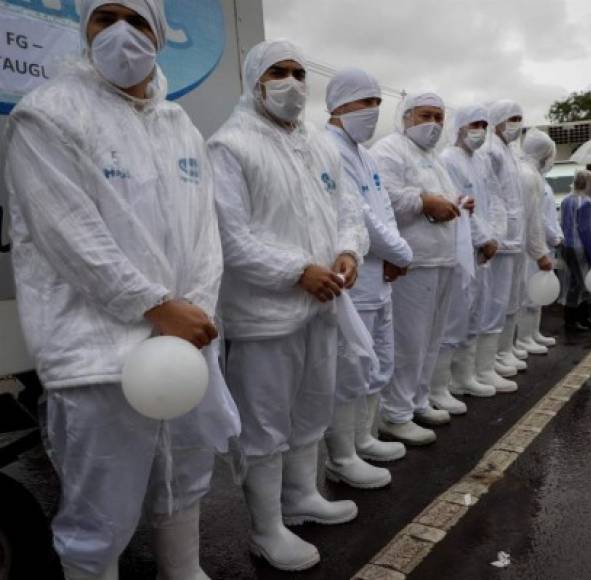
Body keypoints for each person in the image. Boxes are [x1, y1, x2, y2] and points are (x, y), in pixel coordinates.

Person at [4, 1, 241, 578]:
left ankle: (182, 569)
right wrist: (157, 307)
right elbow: (69, 236)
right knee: (100, 504)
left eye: (135, 19)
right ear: (83, 28)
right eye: (102, 17)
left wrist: (194, 313)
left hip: (182, 350)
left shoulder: (178, 124)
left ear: (159, 31)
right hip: (97, 355)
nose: (119, 34)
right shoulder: (48, 115)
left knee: (183, 474)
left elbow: (204, 234)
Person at [208, 40, 369, 571]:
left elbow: (348, 209)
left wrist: (348, 251)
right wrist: (295, 270)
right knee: (265, 424)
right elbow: (231, 236)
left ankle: (301, 498)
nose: (294, 82)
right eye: (280, 72)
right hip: (264, 316)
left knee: (311, 408)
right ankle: (266, 527)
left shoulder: (319, 146)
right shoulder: (230, 146)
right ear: (256, 79)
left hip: (323, 305)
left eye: (300, 73)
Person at [323, 68, 414, 487]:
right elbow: (358, 215)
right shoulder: (330, 147)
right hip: (354, 277)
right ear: (339, 104)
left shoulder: (365, 153)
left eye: (378, 103)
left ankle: (364, 437)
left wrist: (396, 253)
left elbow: (386, 212)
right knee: (350, 367)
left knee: (377, 360)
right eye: (365, 102)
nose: (373, 112)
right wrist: (401, 252)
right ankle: (342, 457)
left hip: (382, 277)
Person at [370, 92, 461, 444]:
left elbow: (446, 197)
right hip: (413, 262)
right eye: (426, 115)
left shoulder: (433, 158)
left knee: (430, 338)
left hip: (441, 258)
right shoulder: (389, 150)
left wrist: (453, 203)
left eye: (439, 117)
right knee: (409, 340)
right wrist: (426, 202)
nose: (434, 124)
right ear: (406, 117)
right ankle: (395, 412)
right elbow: (384, 199)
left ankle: (417, 400)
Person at [436, 104, 505, 401]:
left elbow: (491, 202)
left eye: (483, 126)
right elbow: (460, 206)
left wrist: (493, 237)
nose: (480, 132)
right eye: (474, 125)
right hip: (463, 248)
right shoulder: (449, 159)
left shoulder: (479, 161)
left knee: (476, 311)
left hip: (482, 248)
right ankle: (444, 382)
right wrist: (482, 238)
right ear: (460, 127)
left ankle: (467, 375)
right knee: (455, 315)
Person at [482, 100, 552, 377]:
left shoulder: (511, 157)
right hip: (499, 245)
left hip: (514, 243)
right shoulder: (493, 154)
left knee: (510, 302)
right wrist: (539, 251)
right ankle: (491, 360)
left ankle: (500, 354)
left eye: (519, 119)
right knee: (496, 304)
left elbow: (527, 215)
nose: (516, 125)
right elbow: (523, 214)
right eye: (511, 119)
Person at [516, 128, 562, 354]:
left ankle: (533, 333)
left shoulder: (540, 179)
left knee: (538, 293)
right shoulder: (528, 176)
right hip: (532, 247)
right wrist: (549, 241)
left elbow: (548, 215)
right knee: (529, 295)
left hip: (542, 244)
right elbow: (535, 217)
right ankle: (523, 338)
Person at [560, 169, 591, 330]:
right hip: (580, 247)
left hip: (567, 247)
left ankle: (575, 318)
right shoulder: (586, 202)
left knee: (573, 282)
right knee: (583, 284)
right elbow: (587, 231)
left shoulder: (566, 200)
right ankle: (577, 320)